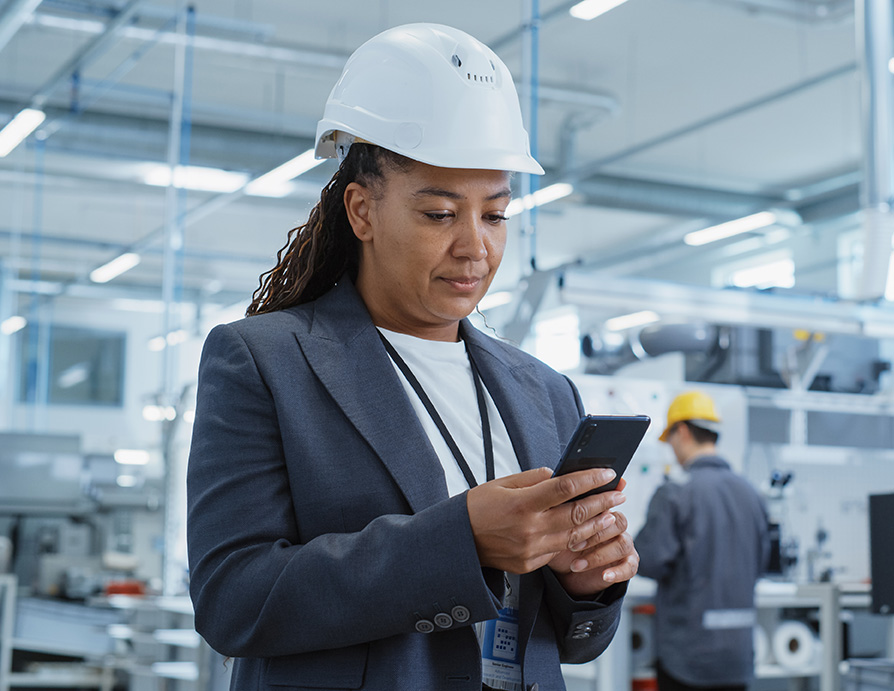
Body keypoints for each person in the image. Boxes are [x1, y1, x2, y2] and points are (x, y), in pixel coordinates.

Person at [186, 23, 638, 691]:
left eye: (494, 215)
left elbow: (572, 645)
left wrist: (589, 583)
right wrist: (461, 541)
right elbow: (233, 600)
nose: (474, 247)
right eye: (438, 214)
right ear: (362, 210)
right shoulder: (265, 362)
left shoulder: (545, 390)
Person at [634, 391, 770, 691]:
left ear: (681, 432)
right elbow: (762, 564)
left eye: (669, 440)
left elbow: (648, 559)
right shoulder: (751, 494)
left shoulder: (676, 492)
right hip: (738, 656)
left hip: (688, 656)